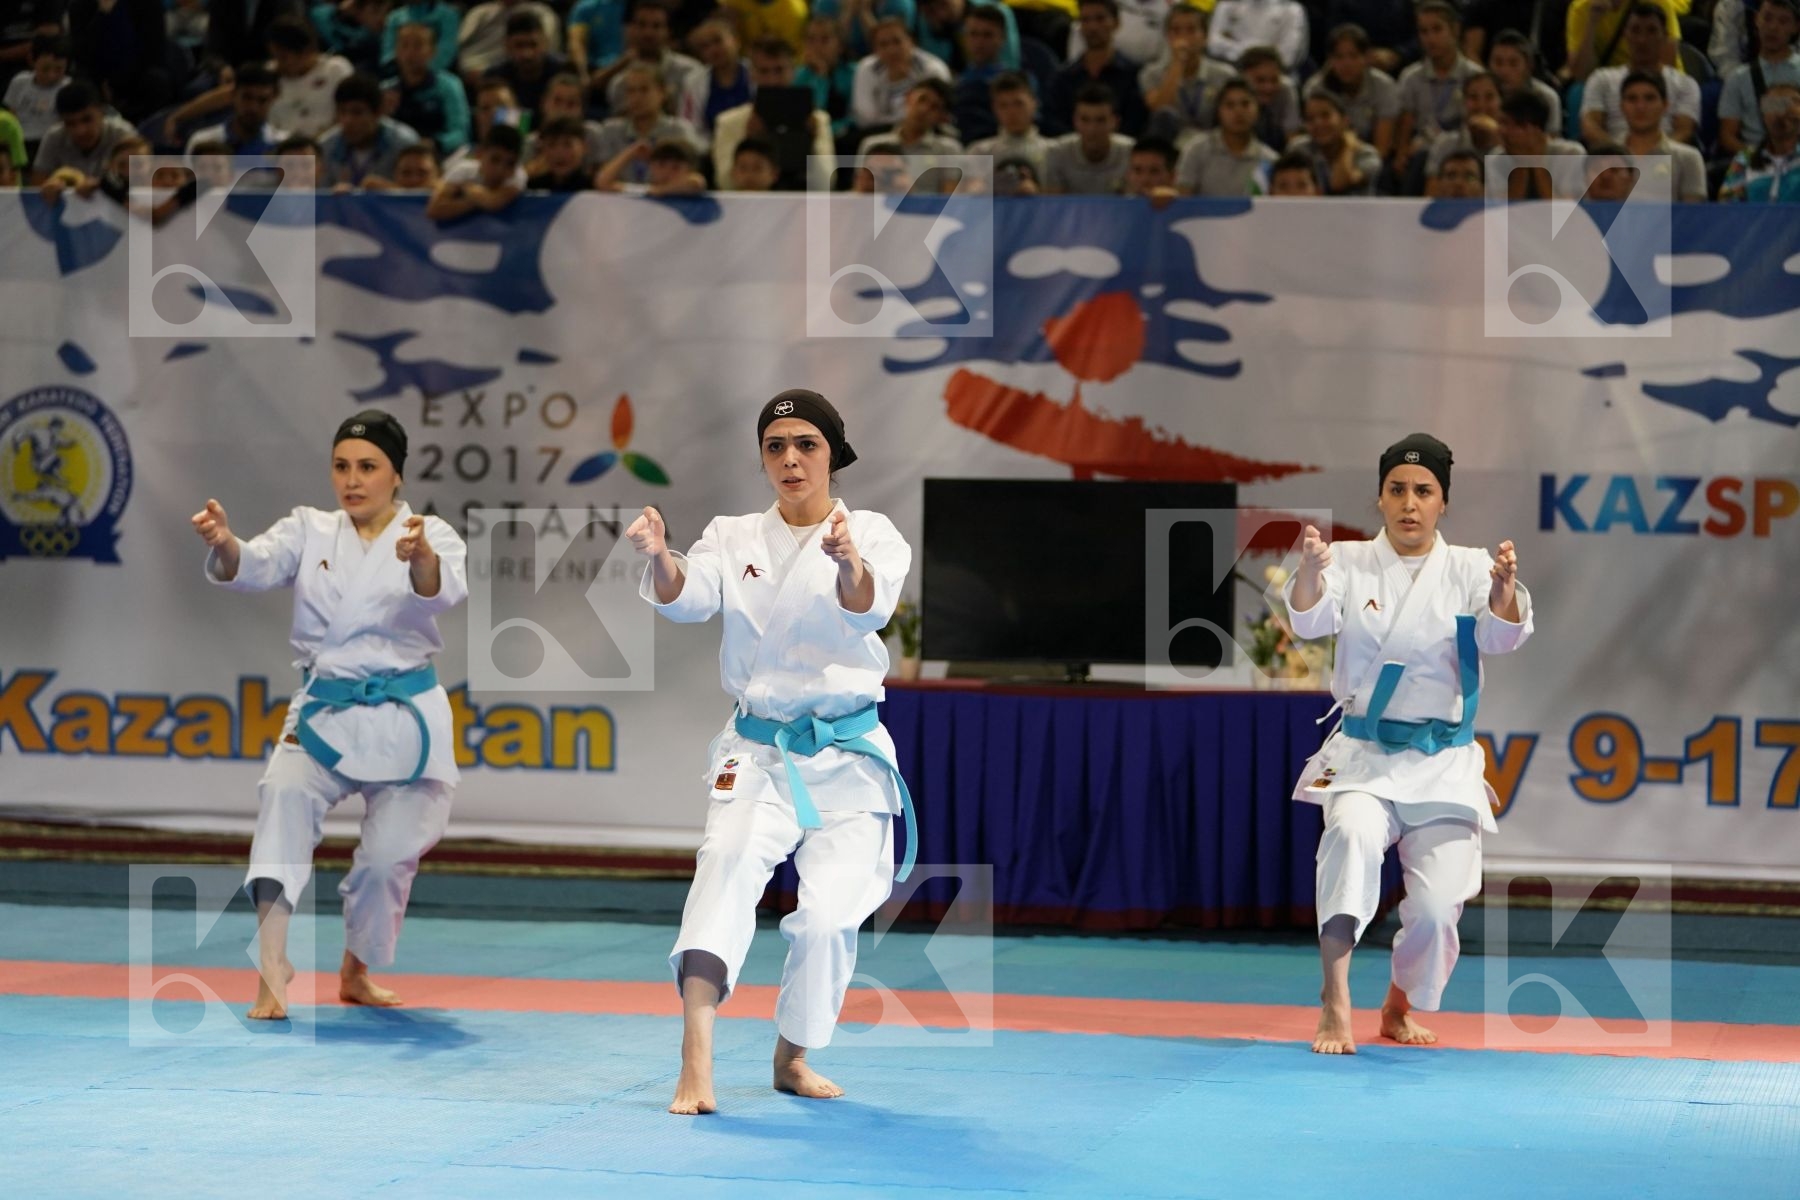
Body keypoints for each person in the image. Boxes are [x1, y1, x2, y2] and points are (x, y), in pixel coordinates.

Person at [627, 389, 915, 1116]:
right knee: (722, 867)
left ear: (833, 455)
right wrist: (661, 557)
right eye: (775, 446)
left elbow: (868, 607)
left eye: (806, 445)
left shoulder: (873, 533)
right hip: (759, 749)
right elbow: (684, 597)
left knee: (828, 920)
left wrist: (846, 559)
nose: (790, 459)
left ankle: (792, 1055)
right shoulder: (732, 536)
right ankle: (695, 1059)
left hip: (848, 754)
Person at [190, 411, 468, 1021]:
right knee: (282, 797)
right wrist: (224, 544)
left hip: (405, 713)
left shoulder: (432, 534)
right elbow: (253, 564)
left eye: (367, 467)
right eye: (342, 466)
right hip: (324, 708)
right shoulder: (309, 530)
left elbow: (437, 589)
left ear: (396, 474)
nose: (352, 479)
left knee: (388, 859)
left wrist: (418, 554)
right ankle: (271, 967)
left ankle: (357, 968)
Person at [1284, 433, 1533, 1056]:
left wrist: (1503, 594)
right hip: (1366, 757)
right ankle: (1334, 999)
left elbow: (1503, 638)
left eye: (1423, 491)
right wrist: (1310, 578)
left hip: (1443, 760)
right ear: (1380, 498)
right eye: (1397, 489)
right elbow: (1310, 621)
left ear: (1443, 501)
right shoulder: (1345, 561)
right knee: (1350, 838)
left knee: (1438, 904)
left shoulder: (1473, 568)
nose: (1409, 503)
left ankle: (1398, 1003)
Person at [1719, 82, 1800, 201]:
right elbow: (1728, 203)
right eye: (1773, 106)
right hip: (1753, 219)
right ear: (1763, 116)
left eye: (1790, 105)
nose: (1780, 114)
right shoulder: (1745, 158)